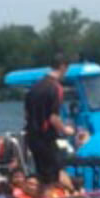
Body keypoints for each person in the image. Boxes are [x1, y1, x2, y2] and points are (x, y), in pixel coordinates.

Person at [23, 53, 75, 188]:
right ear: (63, 67)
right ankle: (75, 197)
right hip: (45, 138)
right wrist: (65, 130)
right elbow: (53, 118)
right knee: (52, 180)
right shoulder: (55, 87)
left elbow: (26, 114)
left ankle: (71, 194)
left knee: (45, 177)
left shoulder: (34, 87)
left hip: (32, 137)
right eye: (67, 69)